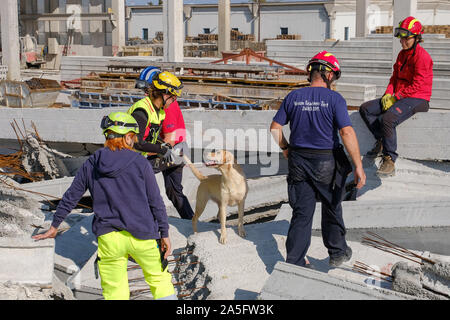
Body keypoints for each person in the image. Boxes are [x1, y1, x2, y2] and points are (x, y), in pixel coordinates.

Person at [32, 112, 176, 300]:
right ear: (127, 137)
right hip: (142, 235)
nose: (134, 141)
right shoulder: (140, 162)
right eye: (133, 137)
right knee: (160, 283)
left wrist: (54, 226)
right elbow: (155, 202)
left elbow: (71, 196)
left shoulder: (91, 163)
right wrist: (164, 233)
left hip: (109, 239)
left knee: (114, 292)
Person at [270, 51, 366, 268]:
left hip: (298, 162)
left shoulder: (293, 97)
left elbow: (275, 128)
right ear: (329, 75)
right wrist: (358, 166)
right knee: (332, 207)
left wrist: (286, 148)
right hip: (326, 163)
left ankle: (294, 262)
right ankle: (337, 252)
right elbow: (347, 133)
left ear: (311, 72)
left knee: (302, 212)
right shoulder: (335, 99)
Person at [359, 16, 433, 177]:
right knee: (365, 109)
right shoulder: (402, 54)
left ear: (416, 37)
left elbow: (417, 85)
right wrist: (388, 94)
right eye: (401, 38)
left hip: (418, 98)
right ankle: (381, 139)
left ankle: (389, 159)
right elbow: (394, 78)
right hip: (400, 96)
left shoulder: (422, 57)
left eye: (406, 38)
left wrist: (396, 97)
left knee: (388, 118)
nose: (402, 41)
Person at [130, 67, 194, 220]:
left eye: (148, 89)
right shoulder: (154, 105)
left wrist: (149, 153)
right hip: (173, 148)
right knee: (173, 191)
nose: (146, 93)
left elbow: (169, 139)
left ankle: (149, 219)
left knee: (142, 175)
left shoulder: (168, 106)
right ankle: (191, 221)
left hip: (174, 149)